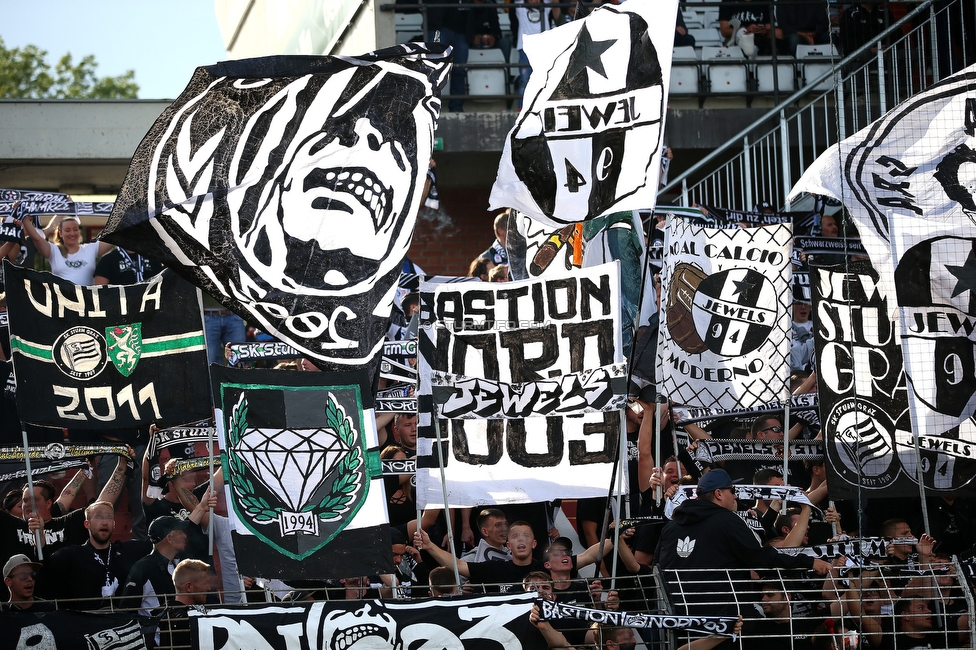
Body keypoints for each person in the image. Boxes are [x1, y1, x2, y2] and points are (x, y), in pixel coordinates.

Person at [656, 468, 831, 650]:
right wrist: (808, 562)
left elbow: (657, 569)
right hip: (726, 625)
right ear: (718, 494)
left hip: (680, 623)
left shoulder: (671, 527)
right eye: (732, 491)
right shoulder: (726, 520)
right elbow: (760, 558)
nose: (735, 497)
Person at [42, 500, 152, 608]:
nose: (104, 522)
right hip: (87, 622)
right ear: (87, 524)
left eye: (109, 517)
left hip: (122, 622)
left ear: (113, 524)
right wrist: (40, 538)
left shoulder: (127, 550)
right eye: (99, 517)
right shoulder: (73, 555)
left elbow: (160, 543)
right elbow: (46, 569)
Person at [414, 519, 543, 593]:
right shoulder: (495, 568)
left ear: (534, 543)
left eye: (526, 536)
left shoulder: (545, 568)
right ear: (508, 545)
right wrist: (429, 546)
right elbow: (459, 565)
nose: (521, 540)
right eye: (515, 536)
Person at [120, 515, 191, 616]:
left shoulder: (180, 565)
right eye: (180, 531)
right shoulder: (143, 568)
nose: (185, 535)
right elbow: (127, 610)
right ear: (169, 538)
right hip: (154, 631)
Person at [14, 214, 113, 285]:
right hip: (63, 307)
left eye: (75, 229)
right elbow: (36, 238)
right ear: (60, 233)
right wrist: (23, 217)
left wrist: (125, 213)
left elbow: (114, 238)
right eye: (67, 230)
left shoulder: (91, 248)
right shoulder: (54, 251)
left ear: (79, 231)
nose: (72, 233)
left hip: (87, 305)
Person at [159, 559, 212, 649]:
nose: (209, 588)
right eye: (204, 583)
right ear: (189, 587)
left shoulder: (166, 615)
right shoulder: (181, 620)